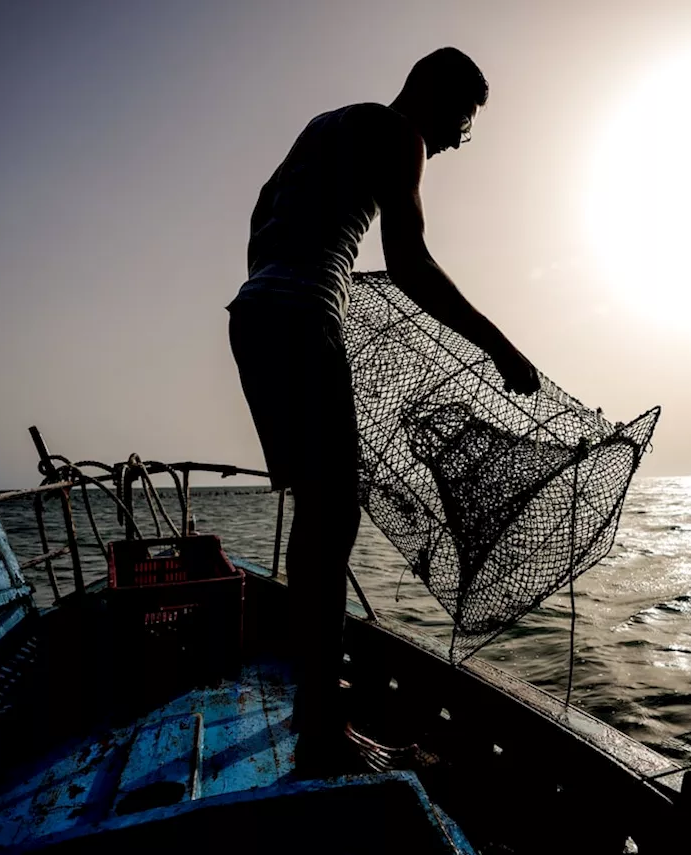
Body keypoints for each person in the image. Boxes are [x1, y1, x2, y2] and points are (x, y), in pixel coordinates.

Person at [226, 47, 540, 776]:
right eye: (463, 114)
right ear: (430, 90)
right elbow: (409, 261)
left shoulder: (326, 125)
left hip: (255, 313)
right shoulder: (400, 136)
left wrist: (296, 276)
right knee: (333, 516)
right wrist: (500, 348)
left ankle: (316, 714)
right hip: (303, 315)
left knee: (319, 511)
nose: (462, 135)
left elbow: (263, 213)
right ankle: (324, 732)